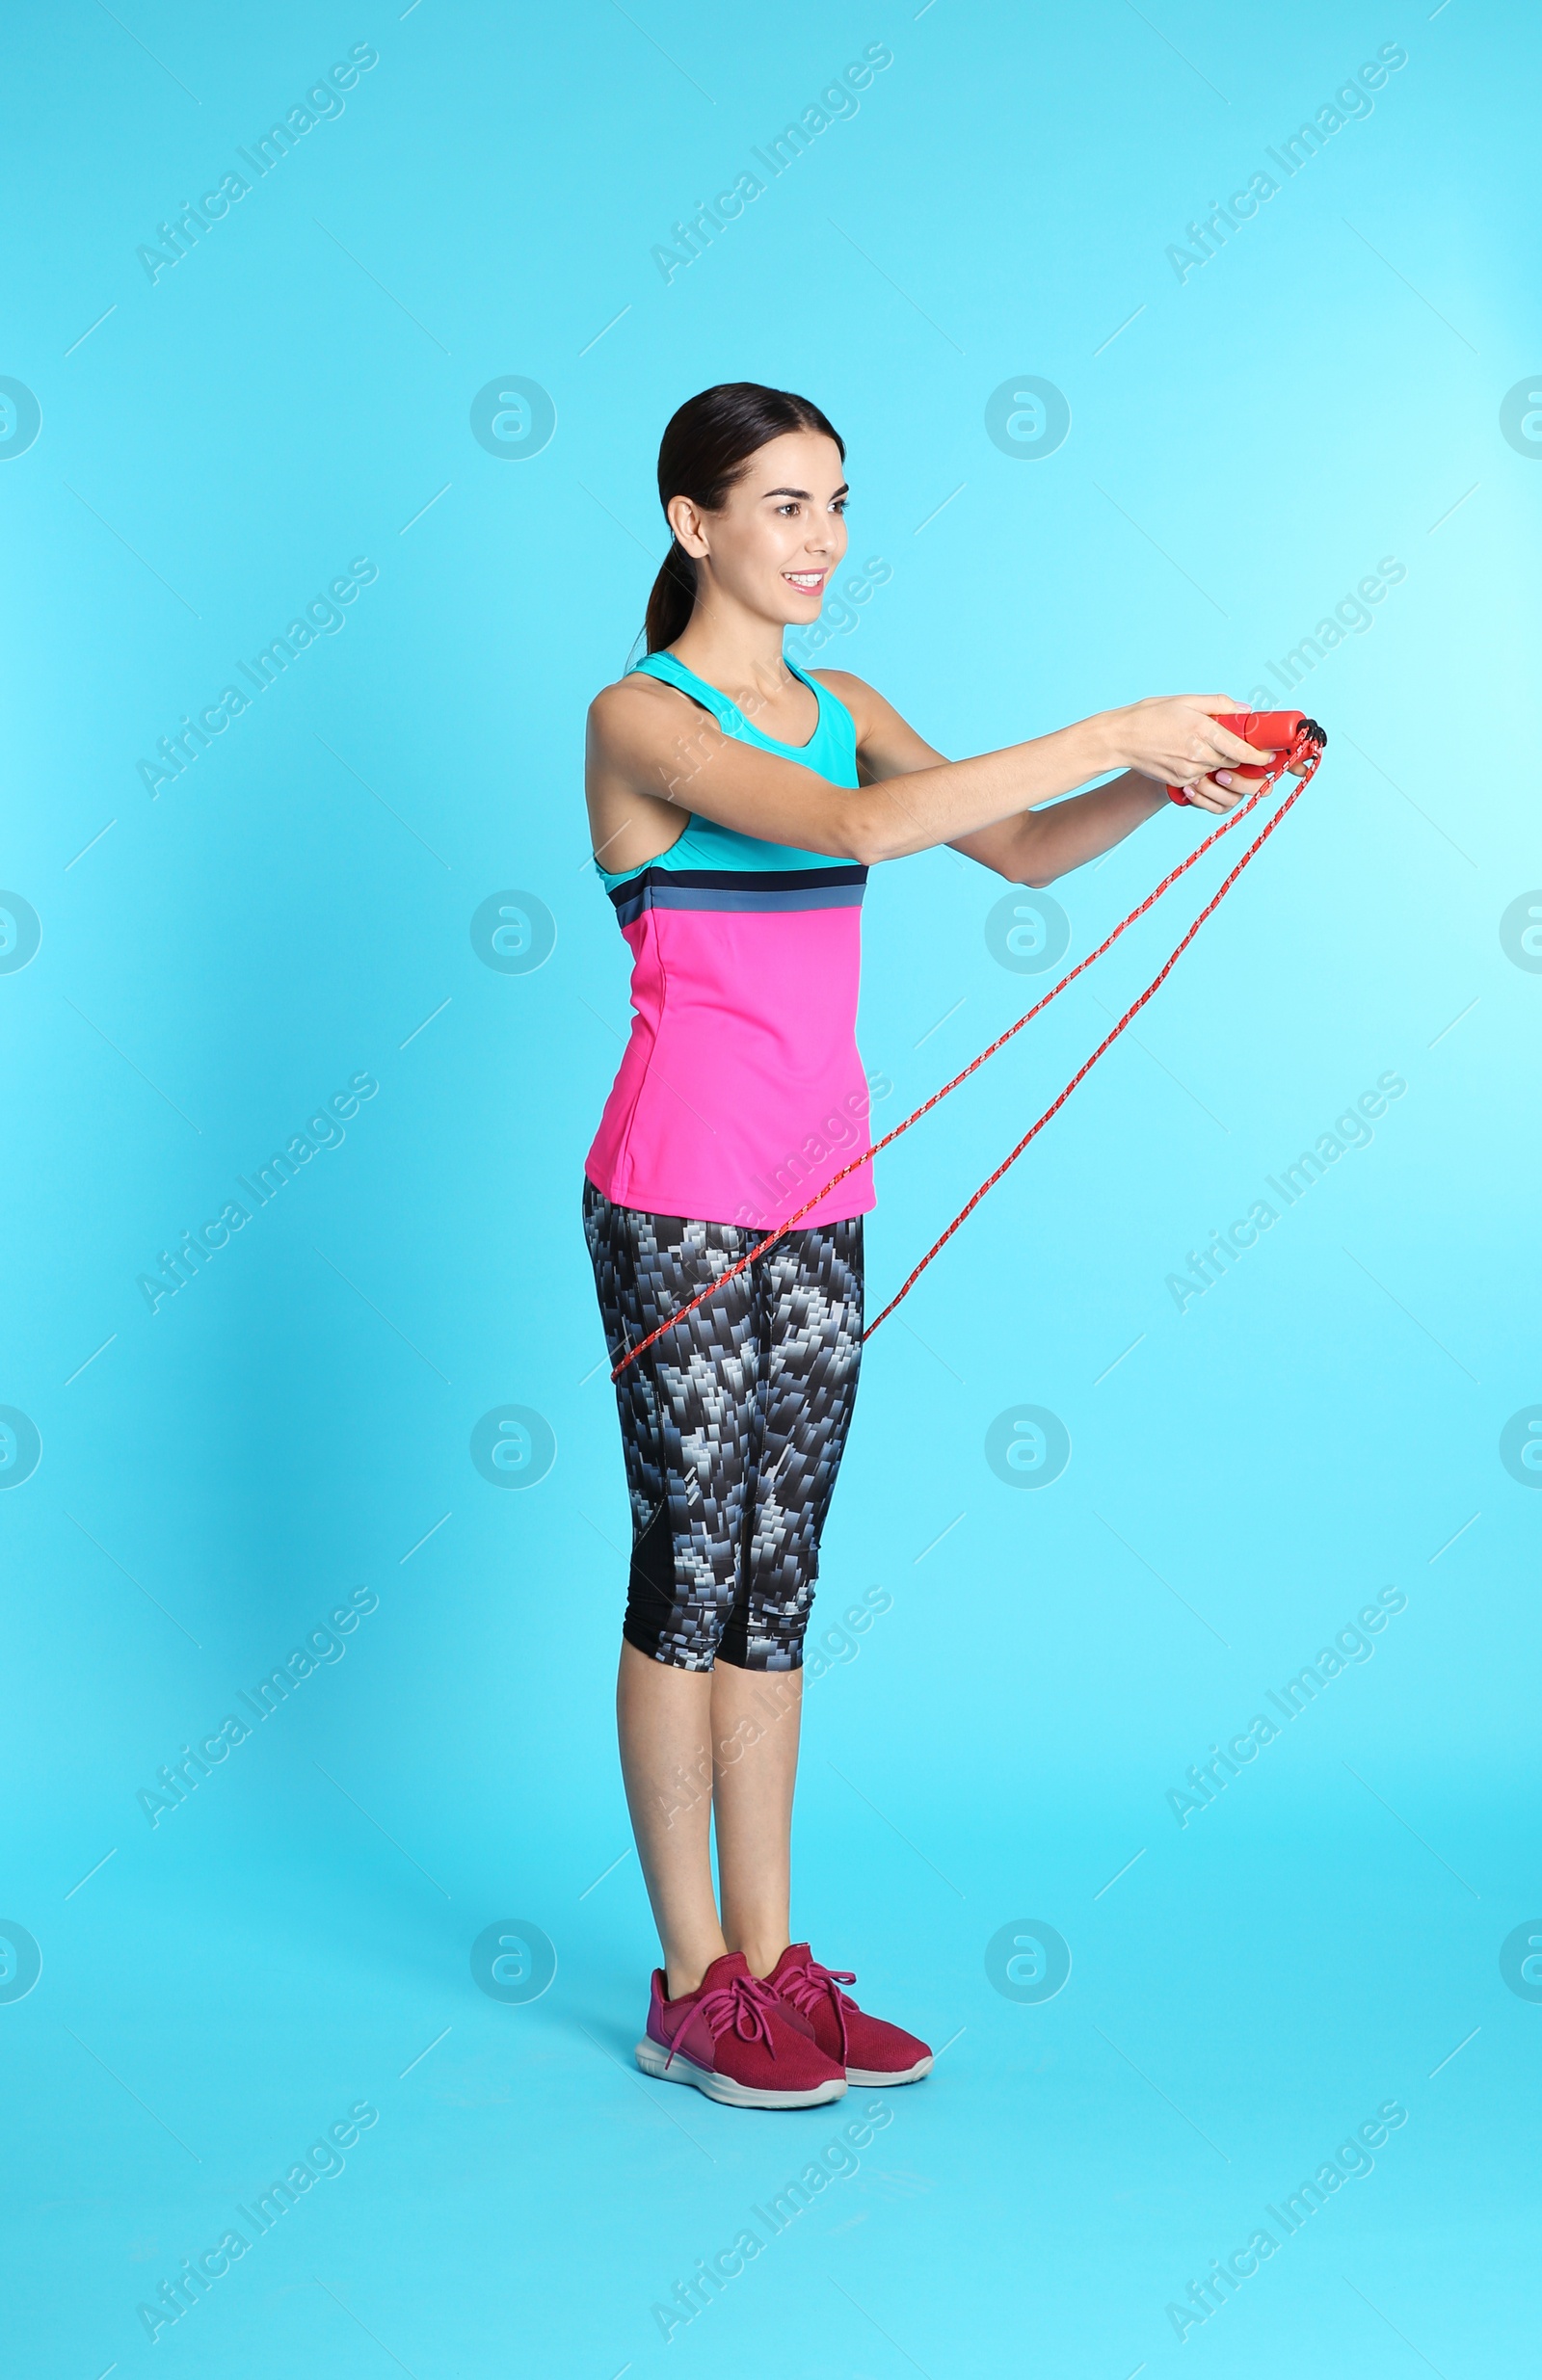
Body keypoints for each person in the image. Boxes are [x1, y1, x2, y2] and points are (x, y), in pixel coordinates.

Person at [582, 382, 1280, 2109]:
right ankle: (689, 1985)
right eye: (785, 505)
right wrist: (1116, 707)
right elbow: (857, 832)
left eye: (836, 503)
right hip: (678, 1198)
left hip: (826, 1193)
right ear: (694, 524)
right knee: (686, 1576)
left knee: (779, 1580)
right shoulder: (641, 720)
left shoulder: (851, 703)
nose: (821, 537)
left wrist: (1153, 773)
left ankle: (773, 1961)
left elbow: (1022, 845)